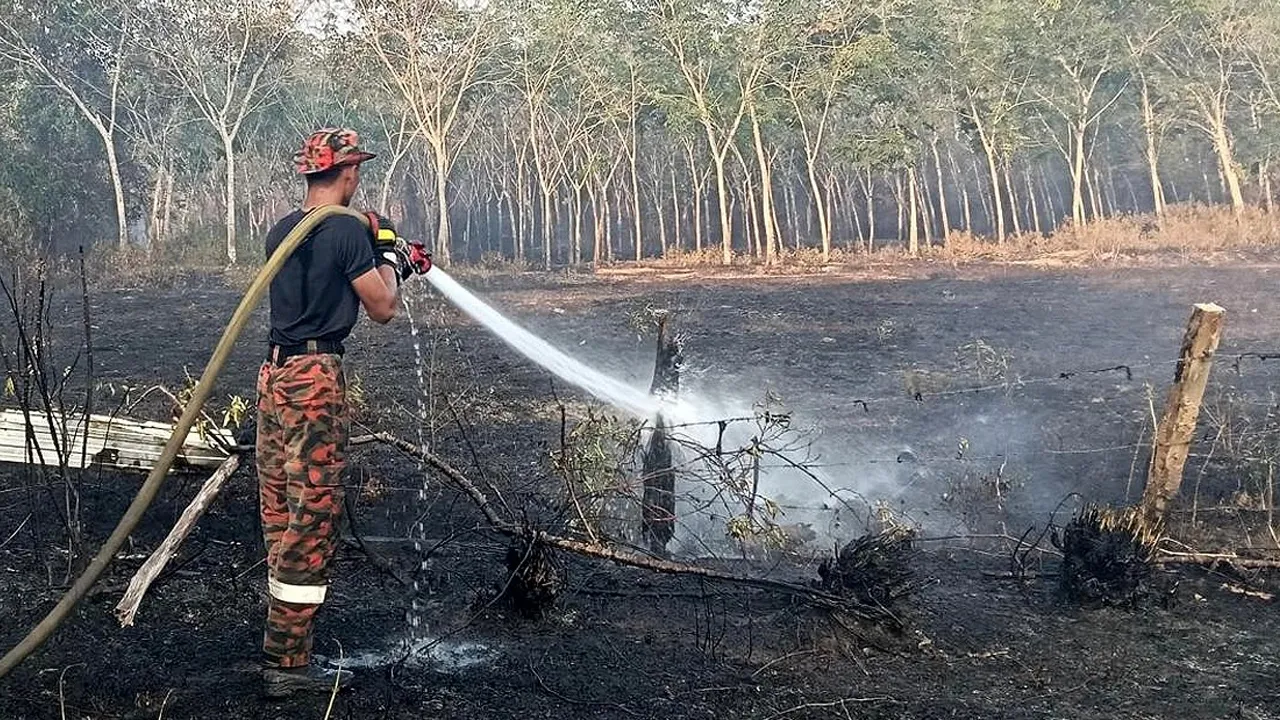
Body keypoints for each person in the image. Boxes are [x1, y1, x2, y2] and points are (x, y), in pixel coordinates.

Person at [255, 127, 429, 697]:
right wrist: (393, 258)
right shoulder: (346, 232)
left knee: (282, 514)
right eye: (357, 171)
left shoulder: (282, 229)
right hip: (313, 380)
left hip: (274, 378)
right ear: (349, 173)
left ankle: (285, 649)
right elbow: (381, 307)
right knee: (313, 518)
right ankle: (287, 666)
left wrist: (379, 249)